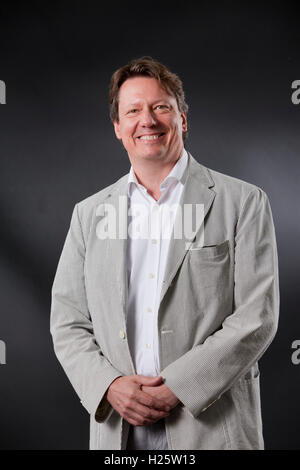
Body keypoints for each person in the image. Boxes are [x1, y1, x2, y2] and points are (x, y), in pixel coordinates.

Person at [50, 57, 279, 450]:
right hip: (120, 430)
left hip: (211, 426)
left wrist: (178, 388)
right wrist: (109, 386)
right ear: (118, 128)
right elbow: (68, 322)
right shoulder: (89, 215)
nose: (148, 120)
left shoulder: (243, 202)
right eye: (133, 110)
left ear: (182, 119)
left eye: (160, 107)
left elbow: (257, 317)